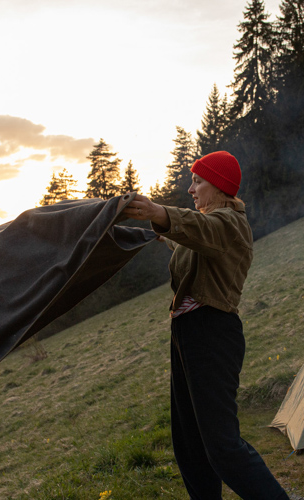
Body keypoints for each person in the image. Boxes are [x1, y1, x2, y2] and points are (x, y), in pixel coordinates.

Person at [122, 151, 289, 500]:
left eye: (198, 181)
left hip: (212, 333)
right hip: (187, 333)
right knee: (190, 445)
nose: (191, 188)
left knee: (222, 447)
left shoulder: (229, 224)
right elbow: (190, 239)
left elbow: (203, 231)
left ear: (220, 187)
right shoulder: (209, 226)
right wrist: (156, 231)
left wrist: (160, 212)